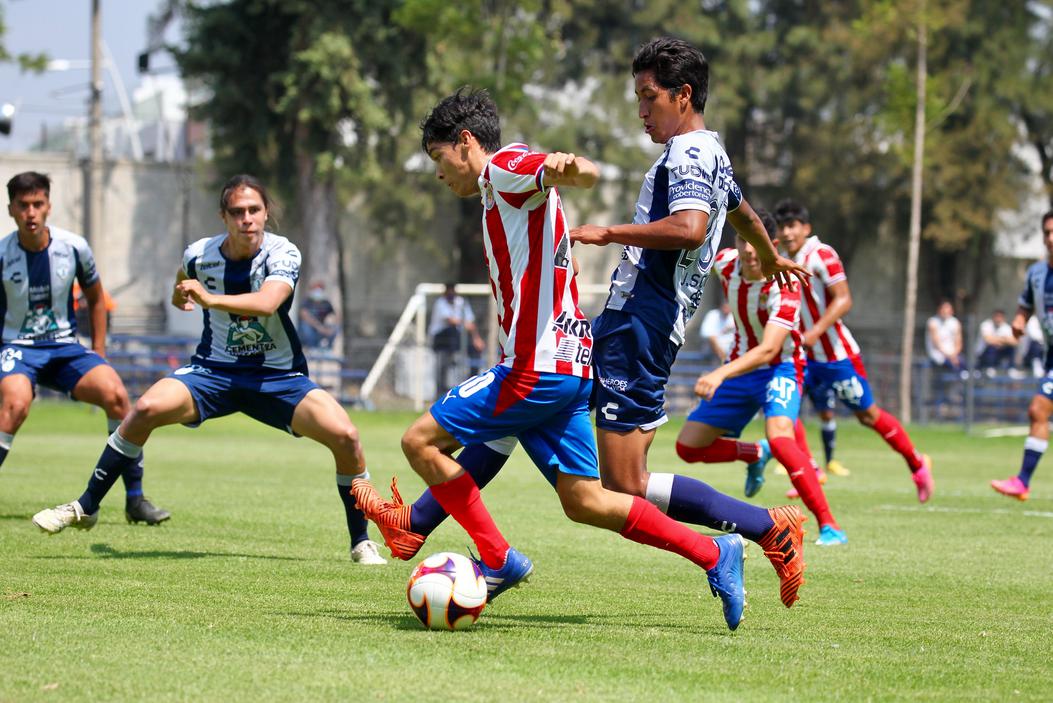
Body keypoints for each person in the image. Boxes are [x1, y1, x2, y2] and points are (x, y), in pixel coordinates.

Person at [358, 40, 812, 615]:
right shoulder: (711, 153)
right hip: (590, 344)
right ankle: (720, 549)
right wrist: (768, 255)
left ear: (684, 95)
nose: (641, 112)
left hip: (622, 332)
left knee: (427, 440)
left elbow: (691, 226)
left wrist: (591, 209)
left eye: (649, 98)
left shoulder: (507, 169)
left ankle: (471, 546)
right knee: (585, 497)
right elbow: (740, 209)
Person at [31, 174, 386, 565]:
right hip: (212, 372)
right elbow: (183, 281)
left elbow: (269, 303)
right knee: (144, 410)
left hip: (276, 377)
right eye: (237, 212)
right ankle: (86, 506)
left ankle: (361, 540)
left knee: (347, 436)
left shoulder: (283, 253)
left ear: (266, 213)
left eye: (254, 210)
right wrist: (179, 294)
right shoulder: (200, 254)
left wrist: (209, 298)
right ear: (223, 216)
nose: (246, 219)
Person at [2, 172, 168, 525]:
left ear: (49, 206)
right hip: (18, 346)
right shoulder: (2, 254)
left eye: (38, 204)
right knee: (15, 405)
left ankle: (135, 501)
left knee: (118, 397)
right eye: (23, 205)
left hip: (65, 347)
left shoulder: (74, 247)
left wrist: (98, 351)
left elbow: (95, 299)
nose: (31, 212)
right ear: (11, 210)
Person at [675, 212, 847, 546]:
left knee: (783, 439)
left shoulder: (786, 282)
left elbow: (769, 349)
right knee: (687, 446)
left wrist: (719, 372)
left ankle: (829, 525)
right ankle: (755, 452)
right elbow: (687, 251)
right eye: (743, 241)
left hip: (780, 367)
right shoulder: (725, 263)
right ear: (736, 242)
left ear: (772, 245)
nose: (750, 251)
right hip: (741, 367)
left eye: (757, 243)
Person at [767, 199, 933, 502]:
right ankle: (811, 468)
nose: (787, 232)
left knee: (867, 416)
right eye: (782, 227)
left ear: (806, 228)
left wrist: (816, 332)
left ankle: (917, 463)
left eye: (792, 226)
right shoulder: (779, 260)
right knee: (784, 414)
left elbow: (844, 299)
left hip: (835, 356)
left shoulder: (821, 254)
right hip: (801, 357)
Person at [991, 209, 1053, 501]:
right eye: (1047, 232)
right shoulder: (1037, 273)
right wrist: (1019, 322)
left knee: (1038, 409)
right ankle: (1022, 482)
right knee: (1038, 412)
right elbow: (1025, 305)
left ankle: (1023, 481)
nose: (1051, 238)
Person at [429, 282, 484, 391]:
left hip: (458, 337)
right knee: (452, 331)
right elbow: (451, 321)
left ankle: (471, 383)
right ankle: (441, 389)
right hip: (441, 339)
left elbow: (471, 323)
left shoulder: (461, 302)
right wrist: (465, 324)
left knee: (475, 349)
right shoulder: (440, 303)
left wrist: (477, 339)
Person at [297, 280, 338, 349]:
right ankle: (311, 348)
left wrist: (330, 323)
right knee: (305, 327)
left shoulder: (326, 302)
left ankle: (328, 348)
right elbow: (305, 316)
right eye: (315, 289)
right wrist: (320, 328)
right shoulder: (306, 301)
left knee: (335, 328)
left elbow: (334, 316)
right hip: (311, 329)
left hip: (322, 328)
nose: (318, 292)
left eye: (320, 289)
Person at [926, 300, 964, 371]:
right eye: (944, 310)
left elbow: (958, 342)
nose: (945, 313)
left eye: (948, 311)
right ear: (939, 310)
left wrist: (954, 355)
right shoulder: (933, 322)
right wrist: (950, 356)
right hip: (938, 353)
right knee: (953, 367)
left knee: (964, 365)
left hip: (953, 354)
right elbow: (936, 344)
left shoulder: (955, 322)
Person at [975, 309, 1016, 373]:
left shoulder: (1006, 327)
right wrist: (1004, 340)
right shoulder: (986, 325)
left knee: (1011, 348)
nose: (998, 319)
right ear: (993, 317)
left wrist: (997, 341)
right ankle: (989, 368)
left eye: (1000, 317)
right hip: (983, 355)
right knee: (992, 347)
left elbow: (1014, 342)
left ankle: (1011, 369)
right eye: (997, 316)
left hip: (998, 354)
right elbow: (988, 340)